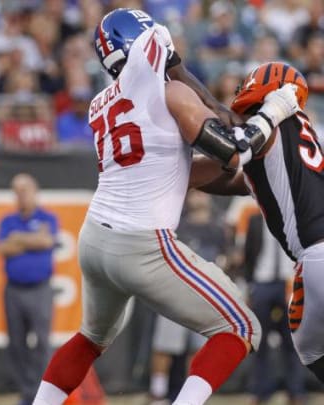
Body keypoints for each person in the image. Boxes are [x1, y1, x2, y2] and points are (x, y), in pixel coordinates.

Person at [31, 8, 301, 405]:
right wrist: (275, 110)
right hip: (141, 242)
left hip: (95, 240)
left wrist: (253, 183)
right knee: (241, 328)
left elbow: (186, 174)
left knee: (90, 339)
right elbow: (233, 152)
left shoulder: (101, 103)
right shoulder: (162, 86)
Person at [198, 61, 324, 384]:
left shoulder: (272, 124)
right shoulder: (296, 130)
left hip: (317, 254)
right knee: (309, 348)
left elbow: (235, 147)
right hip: (312, 259)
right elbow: (241, 182)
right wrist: (182, 175)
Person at [147, 190, 225, 404]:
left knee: (198, 350)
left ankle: (191, 396)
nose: (200, 196)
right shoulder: (177, 227)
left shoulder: (219, 229)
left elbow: (228, 260)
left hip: (205, 298)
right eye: (195, 193)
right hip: (175, 294)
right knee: (165, 346)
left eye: (203, 192)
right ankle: (158, 393)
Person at [0, 173, 58, 405]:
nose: (21, 195)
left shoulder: (46, 217)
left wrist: (18, 239)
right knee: (16, 343)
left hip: (40, 289)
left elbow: (46, 241)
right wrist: (30, 239)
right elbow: (2, 248)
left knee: (42, 342)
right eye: (17, 191)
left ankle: (42, 394)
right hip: (14, 290)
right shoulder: (7, 220)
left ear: (35, 191)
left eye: (25, 190)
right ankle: (27, 392)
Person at [243, 212, 305, 405]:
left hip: (289, 284)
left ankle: (295, 392)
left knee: (293, 342)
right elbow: (249, 255)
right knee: (259, 341)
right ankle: (261, 392)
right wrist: (249, 288)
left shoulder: (297, 219)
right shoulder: (255, 219)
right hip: (262, 283)